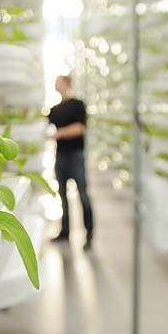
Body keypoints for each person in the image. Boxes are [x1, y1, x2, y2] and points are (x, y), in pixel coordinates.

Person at [47, 75, 94, 250]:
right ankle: (65, 232)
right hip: (61, 156)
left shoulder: (77, 105)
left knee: (83, 194)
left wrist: (57, 134)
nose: (55, 85)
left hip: (76, 155)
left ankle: (89, 234)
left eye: (58, 82)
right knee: (62, 196)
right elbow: (43, 124)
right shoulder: (54, 110)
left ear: (67, 84)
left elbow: (79, 129)